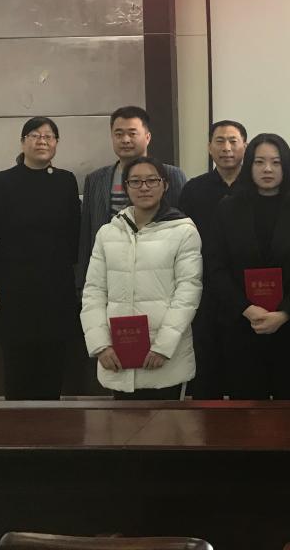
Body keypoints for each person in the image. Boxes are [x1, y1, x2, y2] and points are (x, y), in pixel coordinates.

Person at [206, 133, 290, 400]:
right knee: (246, 412)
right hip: (241, 326)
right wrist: (247, 309)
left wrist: (284, 313)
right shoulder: (227, 209)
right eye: (259, 162)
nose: (267, 169)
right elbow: (216, 267)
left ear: (286, 166)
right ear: (249, 165)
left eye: (276, 162)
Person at [0, 117, 81, 400]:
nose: (42, 141)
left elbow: (75, 234)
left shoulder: (66, 181)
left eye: (49, 136)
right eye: (35, 135)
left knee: (53, 370)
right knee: (17, 371)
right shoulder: (1, 182)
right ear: (23, 142)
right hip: (15, 289)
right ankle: (18, 428)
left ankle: (52, 428)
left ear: (56, 143)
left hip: (56, 288)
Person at [80, 157, 202, 400]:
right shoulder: (108, 233)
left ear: (165, 185)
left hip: (165, 358)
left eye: (151, 180)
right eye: (135, 181)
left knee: (167, 423)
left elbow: (187, 293)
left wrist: (163, 347)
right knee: (122, 424)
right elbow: (93, 291)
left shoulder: (183, 231)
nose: (144, 187)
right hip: (117, 356)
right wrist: (101, 345)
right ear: (125, 187)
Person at [77, 105, 187, 287]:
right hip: (108, 274)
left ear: (148, 137)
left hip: (158, 275)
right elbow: (87, 235)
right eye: (119, 134)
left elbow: (181, 225)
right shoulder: (96, 179)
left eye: (132, 133)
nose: (125, 140)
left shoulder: (172, 175)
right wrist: (82, 282)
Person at [178, 119, 248, 399]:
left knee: (245, 372)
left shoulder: (256, 186)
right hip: (205, 290)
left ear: (245, 146)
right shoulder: (194, 190)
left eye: (233, 141)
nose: (226, 148)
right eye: (219, 141)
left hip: (247, 292)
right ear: (209, 147)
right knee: (208, 374)